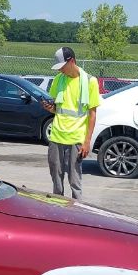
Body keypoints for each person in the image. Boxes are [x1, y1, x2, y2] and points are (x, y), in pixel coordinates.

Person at [41, 46, 100, 200]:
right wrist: (50, 108)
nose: (60, 71)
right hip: (56, 136)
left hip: (76, 139)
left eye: (62, 67)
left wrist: (87, 142)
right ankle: (58, 209)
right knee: (56, 177)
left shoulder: (89, 82)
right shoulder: (58, 80)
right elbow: (57, 109)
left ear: (72, 61)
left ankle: (78, 212)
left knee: (75, 179)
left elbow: (92, 114)